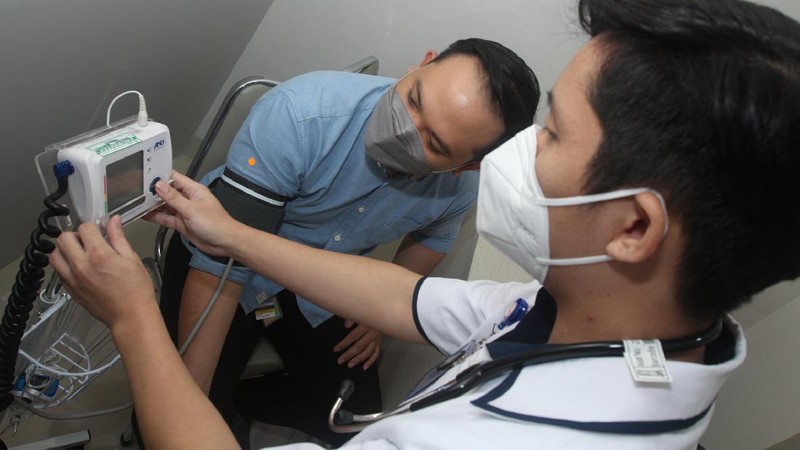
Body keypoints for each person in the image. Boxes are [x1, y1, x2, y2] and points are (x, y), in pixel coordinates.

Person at [51, 0, 800, 448]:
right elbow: (408, 298)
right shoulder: (589, 324)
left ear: (634, 229)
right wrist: (237, 236)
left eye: (553, 134)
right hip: (245, 267)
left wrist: (130, 318)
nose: (515, 160)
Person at [160, 37, 539, 448]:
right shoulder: (301, 114)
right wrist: (187, 408)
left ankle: (239, 402)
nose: (405, 129)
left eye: (433, 144)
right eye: (414, 100)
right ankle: (215, 404)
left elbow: (434, 238)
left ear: (468, 166)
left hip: (321, 282)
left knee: (354, 420)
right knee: (174, 409)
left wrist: (378, 315)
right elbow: (219, 263)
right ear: (422, 63)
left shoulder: (458, 189)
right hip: (227, 269)